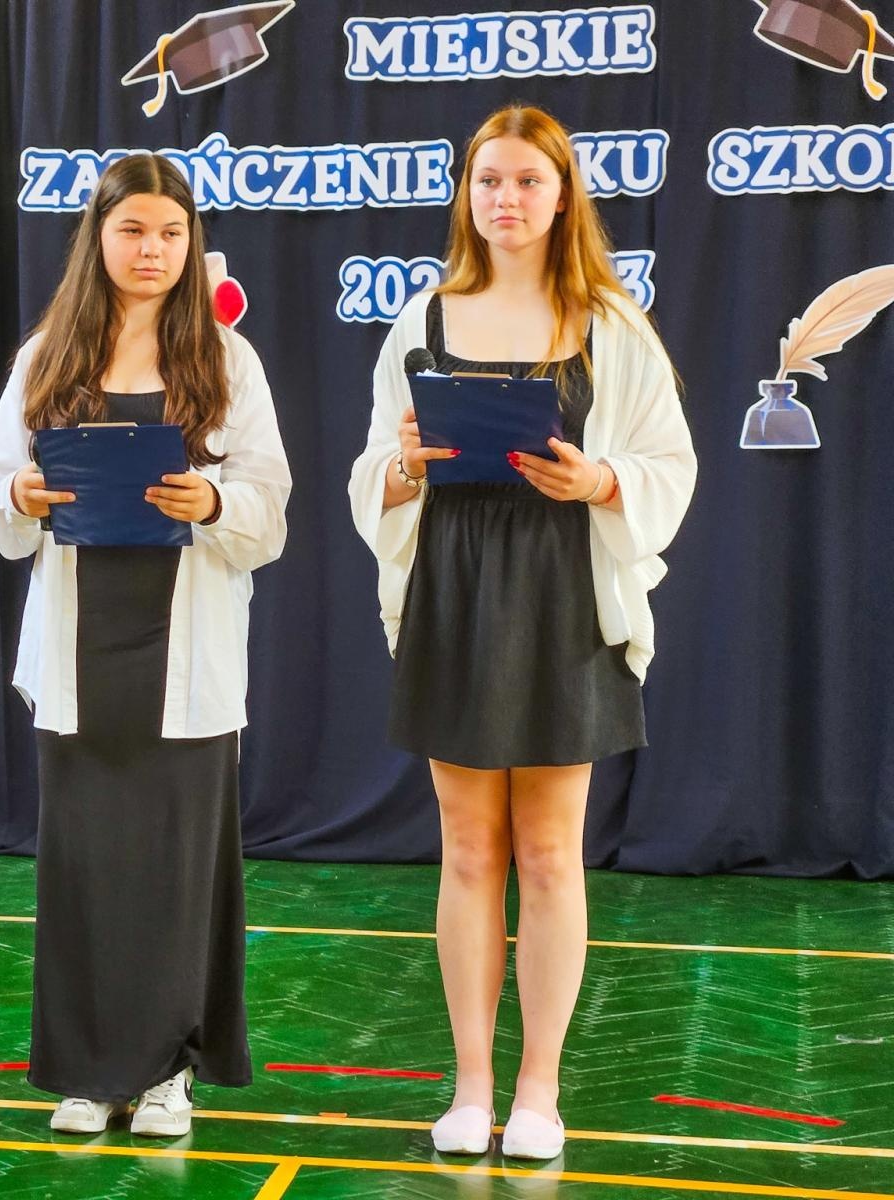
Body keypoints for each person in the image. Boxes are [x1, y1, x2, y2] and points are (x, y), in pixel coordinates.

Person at [348, 105, 696, 1160]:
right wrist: (407, 464)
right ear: (467, 194)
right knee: (465, 850)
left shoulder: (611, 322)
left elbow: (667, 464)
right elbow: (377, 468)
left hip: (560, 591)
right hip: (454, 584)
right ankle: (468, 1086)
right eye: (487, 181)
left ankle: (538, 1093)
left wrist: (598, 478)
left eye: (526, 183)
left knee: (549, 854)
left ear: (560, 197)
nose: (505, 199)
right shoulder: (422, 317)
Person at [0, 153, 291, 1138]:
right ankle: (88, 1070)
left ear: (190, 242)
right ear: (97, 239)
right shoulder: (48, 356)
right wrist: (21, 496)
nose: (151, 250)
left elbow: (269, 510)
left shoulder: (225, 359)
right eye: (132, 231)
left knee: (176, 864)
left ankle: (166, 1073)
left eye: (168, 233)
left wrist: (214, 500)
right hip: (83, 648)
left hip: (183, 649)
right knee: (84, 865)